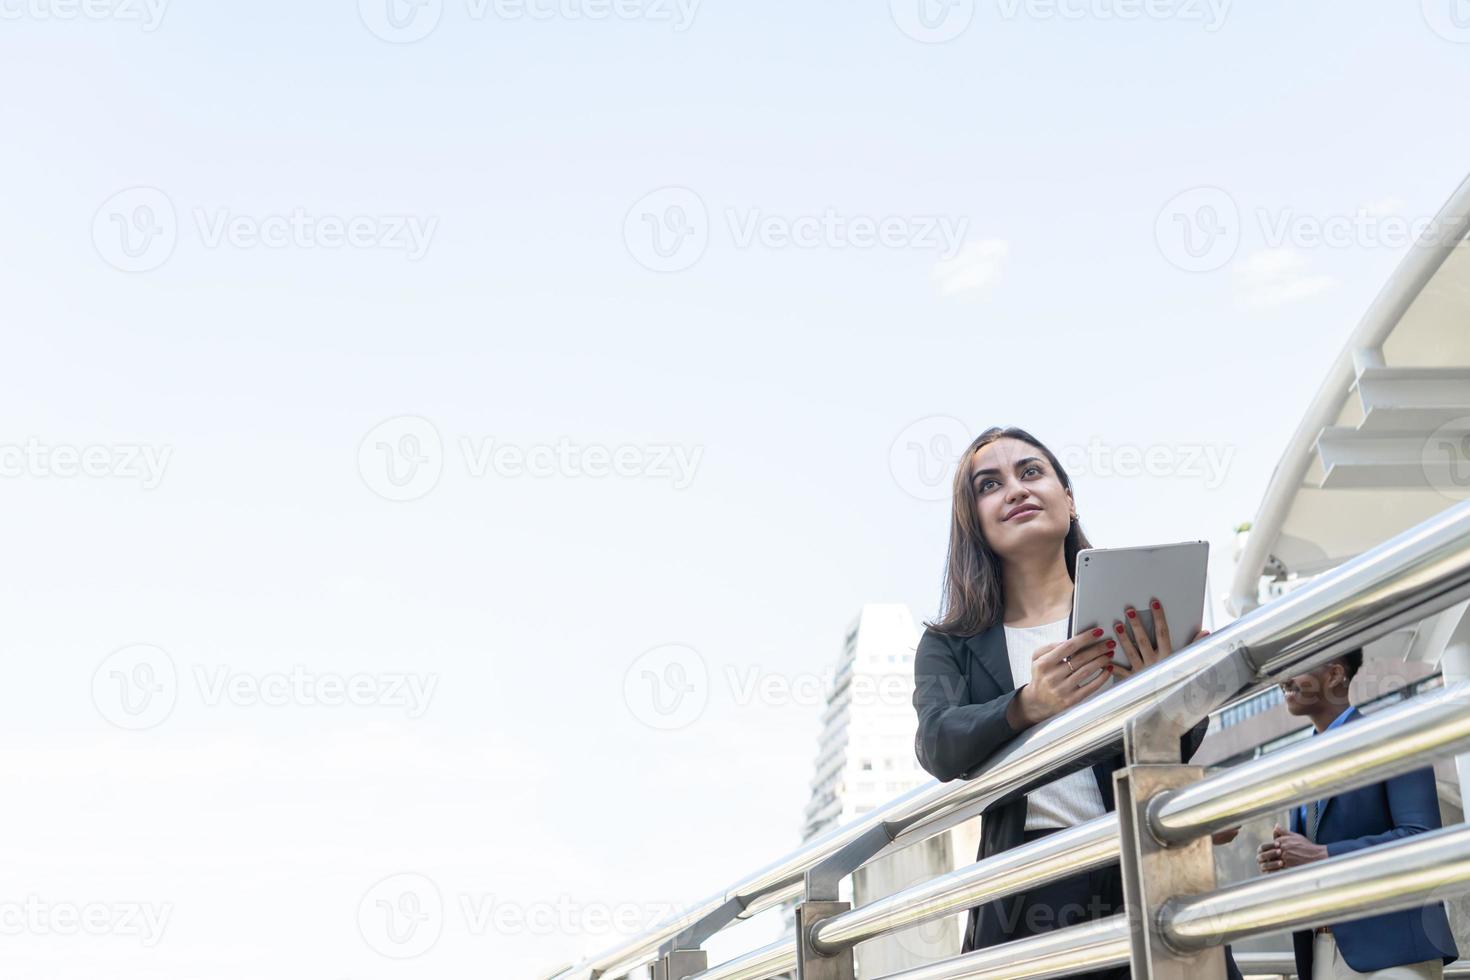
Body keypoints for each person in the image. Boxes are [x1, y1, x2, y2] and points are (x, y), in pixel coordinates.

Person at [911, 426, 1241, 979]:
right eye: (990, 484)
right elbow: (939, 743)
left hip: (1140, 862)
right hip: (1031, 887)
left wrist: (1174, 691)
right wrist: (1026, 705)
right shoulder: (951, 642)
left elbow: (1173, 748)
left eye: (1031, 472)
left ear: (1069, 498)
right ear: (974, 522)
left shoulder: (1132, 609)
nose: (1015, 489)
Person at [1257, 649, 1458, 980]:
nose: (1283, 679)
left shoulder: (1393, 736)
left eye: (1297, 667)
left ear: (1335, 675)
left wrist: (1322, 855)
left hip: (1394, 953)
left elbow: (1423, 841)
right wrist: (1284, 859)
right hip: (1320, 951)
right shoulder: (1300, 763)